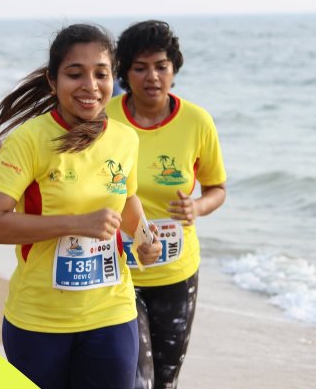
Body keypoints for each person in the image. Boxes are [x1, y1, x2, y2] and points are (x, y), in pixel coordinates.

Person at [0, 24, 162, 389]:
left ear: (114, 78)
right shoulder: (29, 140)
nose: (90, 86)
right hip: (39, 319)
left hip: (112, 311)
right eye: (75, 74)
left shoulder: (125, 138)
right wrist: (76, 223)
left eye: (101, 74)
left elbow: (126, 198)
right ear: (52, 80)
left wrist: (145, 239)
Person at [106, 20, 227, 389]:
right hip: (117, 271)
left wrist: (198, 207)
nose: (152, 77)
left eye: (161, 66)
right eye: (140, 68)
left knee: (165, 380)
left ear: (174, 69)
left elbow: (217, 188)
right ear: (124, 73)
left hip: (176, 273)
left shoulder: (197, 121)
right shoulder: (104, 119)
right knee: (135, 379)